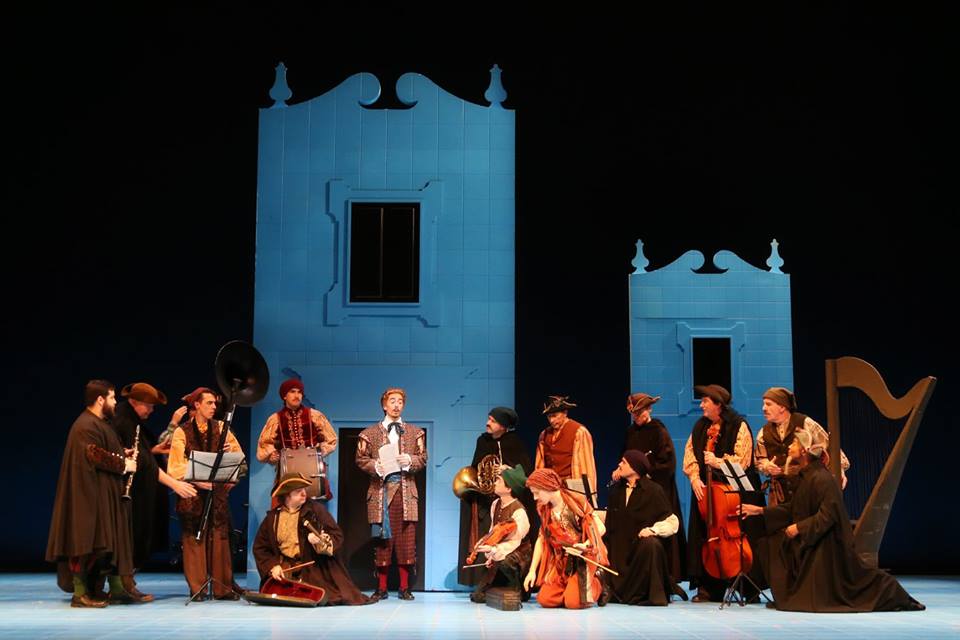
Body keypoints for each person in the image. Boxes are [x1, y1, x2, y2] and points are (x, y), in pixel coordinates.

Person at [740, 430, 924, 612]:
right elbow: (794, 508)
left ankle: (895, 595)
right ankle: (788, 594)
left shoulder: (822, 478)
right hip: (813, 537)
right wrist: (761, 510)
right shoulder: (806, 476)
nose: (789, 446)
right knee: (768, 545)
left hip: (828, 543)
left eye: (794, 443)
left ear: (804, 451)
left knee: (857, 582)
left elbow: (829, 515)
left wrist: (799, 528)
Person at [46, 380, 137, 607]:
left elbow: (102, 449)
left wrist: (122, 453)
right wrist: (124, 464)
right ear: (100, 399)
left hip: (100, 494)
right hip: (87, 497)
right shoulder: (85, 425)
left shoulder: (98, 423)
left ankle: (96, 590)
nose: (115, 402)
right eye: (112, 397)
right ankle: (80, 595)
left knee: (99, 546)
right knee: (84, 543)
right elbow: (94, 454)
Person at [109, 382, 197, 601]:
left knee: (134, 536)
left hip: (136, 489)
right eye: (149, 406)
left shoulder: (132, 419)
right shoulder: (125, 420)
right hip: (126, 492)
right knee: (130, 536)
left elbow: (143, 453)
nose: (151, 410)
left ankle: (124, 584)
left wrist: (153, 450)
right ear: (135, 402)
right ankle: (123, 586)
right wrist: (175, 484)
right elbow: (144, 462)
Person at [682, 384, 764, 602]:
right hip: (707, 490)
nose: (701, 406)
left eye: (705, 402)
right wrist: (694, 478)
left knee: (740, 532)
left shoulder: (738, 425)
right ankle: (709, 586)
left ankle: (747, 585)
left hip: (735, 489)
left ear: (718, 405)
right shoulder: (700, 426)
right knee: (706, 532)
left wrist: (717, 462)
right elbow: (689, 454)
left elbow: (744, 459)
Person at [166, 387, 244, 600]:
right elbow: (175, 467)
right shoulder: (182, 432)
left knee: (219, 537)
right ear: (197, 405)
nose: (213, 407)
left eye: (215, 403)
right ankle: (197, 588)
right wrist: (198, 480)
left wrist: (231, 472)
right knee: (194, 539)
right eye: (209, 403)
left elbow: (239, 457)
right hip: (191, 492)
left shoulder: (221, 428)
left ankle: (222, 588)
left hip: (216, 492)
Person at [252, 472, 372, 605]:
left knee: (325, 595)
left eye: (304, 490)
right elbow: (260, 547)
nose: (304, 493)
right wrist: (273, 566)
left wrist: (319, 542)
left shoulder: (315, 510)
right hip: (286, 568)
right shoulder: (273, 518)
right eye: (298, 491)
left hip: (312, 568)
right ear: (287, 495)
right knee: (276, 594)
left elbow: (336, 535)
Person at [355, 388, 427, 601]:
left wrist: (411, 461)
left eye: (400, 402)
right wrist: (375, 465)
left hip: (406, 493)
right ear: (384, 405)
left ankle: (404, 587)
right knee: (382, 541)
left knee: (406, 540)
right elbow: (360, 459)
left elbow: (423, 458)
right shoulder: (368, 434)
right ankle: (382, 587)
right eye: (392, 401)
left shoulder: (416, 432)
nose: (396, 405)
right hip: (380, 493)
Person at [458, 406, 535, 586]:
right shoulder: (482, 441)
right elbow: (476, 468)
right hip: (487, 500)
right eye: (489, 419)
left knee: (507, 536)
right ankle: (484, 580)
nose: (488, 423)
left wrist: (508, 470)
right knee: (487, 536)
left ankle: (509, 581)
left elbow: (525, 471)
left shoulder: (515, 442)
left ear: (504, 425)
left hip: (508, 498)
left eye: (493, 421)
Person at [615, 392, 686, 580]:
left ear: (648, 410)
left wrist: (646, 476)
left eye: (639, 413)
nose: (636, 417)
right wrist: (619, 470)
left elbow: (668, 464)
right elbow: (624, 456)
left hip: (656, 489)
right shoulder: (630, 432)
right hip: (635, 489)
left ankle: (665, 574)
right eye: (634, 414)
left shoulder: (659, 431)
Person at [602, 450, 682, 606]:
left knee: (651, 544)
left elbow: (672, 521)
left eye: (624, 462)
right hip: (619, 555)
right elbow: (610, 525)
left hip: (639, 553)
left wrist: (653, 530)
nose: (619, 464)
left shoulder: (653, 491)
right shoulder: (616, 491)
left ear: (635, 467)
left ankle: (647, 592)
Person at [523, 468, 608, 609]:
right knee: (545, 600)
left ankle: (597, 582)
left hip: (583, 558)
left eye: (536, 493)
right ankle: (571, 587)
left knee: (573, 603)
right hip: (561, 561)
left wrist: (586, 545)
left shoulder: (576, 502)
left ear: (548, 486)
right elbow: (541, 539)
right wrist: (532, 571)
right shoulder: (544, 509)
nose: (535, 498)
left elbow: (601, 528)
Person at [755, 386, 850, 506]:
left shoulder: (804, 423)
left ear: (782, 407)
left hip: (805, 488)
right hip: (780, 496)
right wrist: (766, 466)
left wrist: (839, 469)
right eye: (764, 404)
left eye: (768, 404)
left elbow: (829, 446)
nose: (764, 408)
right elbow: (759, 460)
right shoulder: (764, 432)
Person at [256, 378, 338, 500]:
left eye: (299, 392)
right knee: (283, 507)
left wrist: (321, 451)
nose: (297, 395)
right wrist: (272, 456)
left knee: (313, 512)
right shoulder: (275, 419)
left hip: (312, 471)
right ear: (284, 396)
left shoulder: (314, 415)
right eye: (293, 391)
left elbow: (331, 439)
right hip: (287, 472)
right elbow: (265, 444)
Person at [468, 465, 533, 603]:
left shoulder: (519, 512)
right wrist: (489, 552)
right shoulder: (495, 504)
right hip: (500, 552)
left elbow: (514, 543)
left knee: (506, 563)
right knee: (479, 596)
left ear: (509, 489)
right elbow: (494, 532)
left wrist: (493, 550)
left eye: (498, 480)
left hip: (517, 555)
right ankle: (503, 584)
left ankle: (519, 589)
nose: (495, 482)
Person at [535, 395, 597, 501]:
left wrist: (587, 495)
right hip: (551, 490)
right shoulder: (544, 435)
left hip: (571, 489)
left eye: (554, 415)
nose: (551, 420)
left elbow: (586, 466)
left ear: (565, 413)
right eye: (549, 416)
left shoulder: (579, 432)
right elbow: (539, 465)